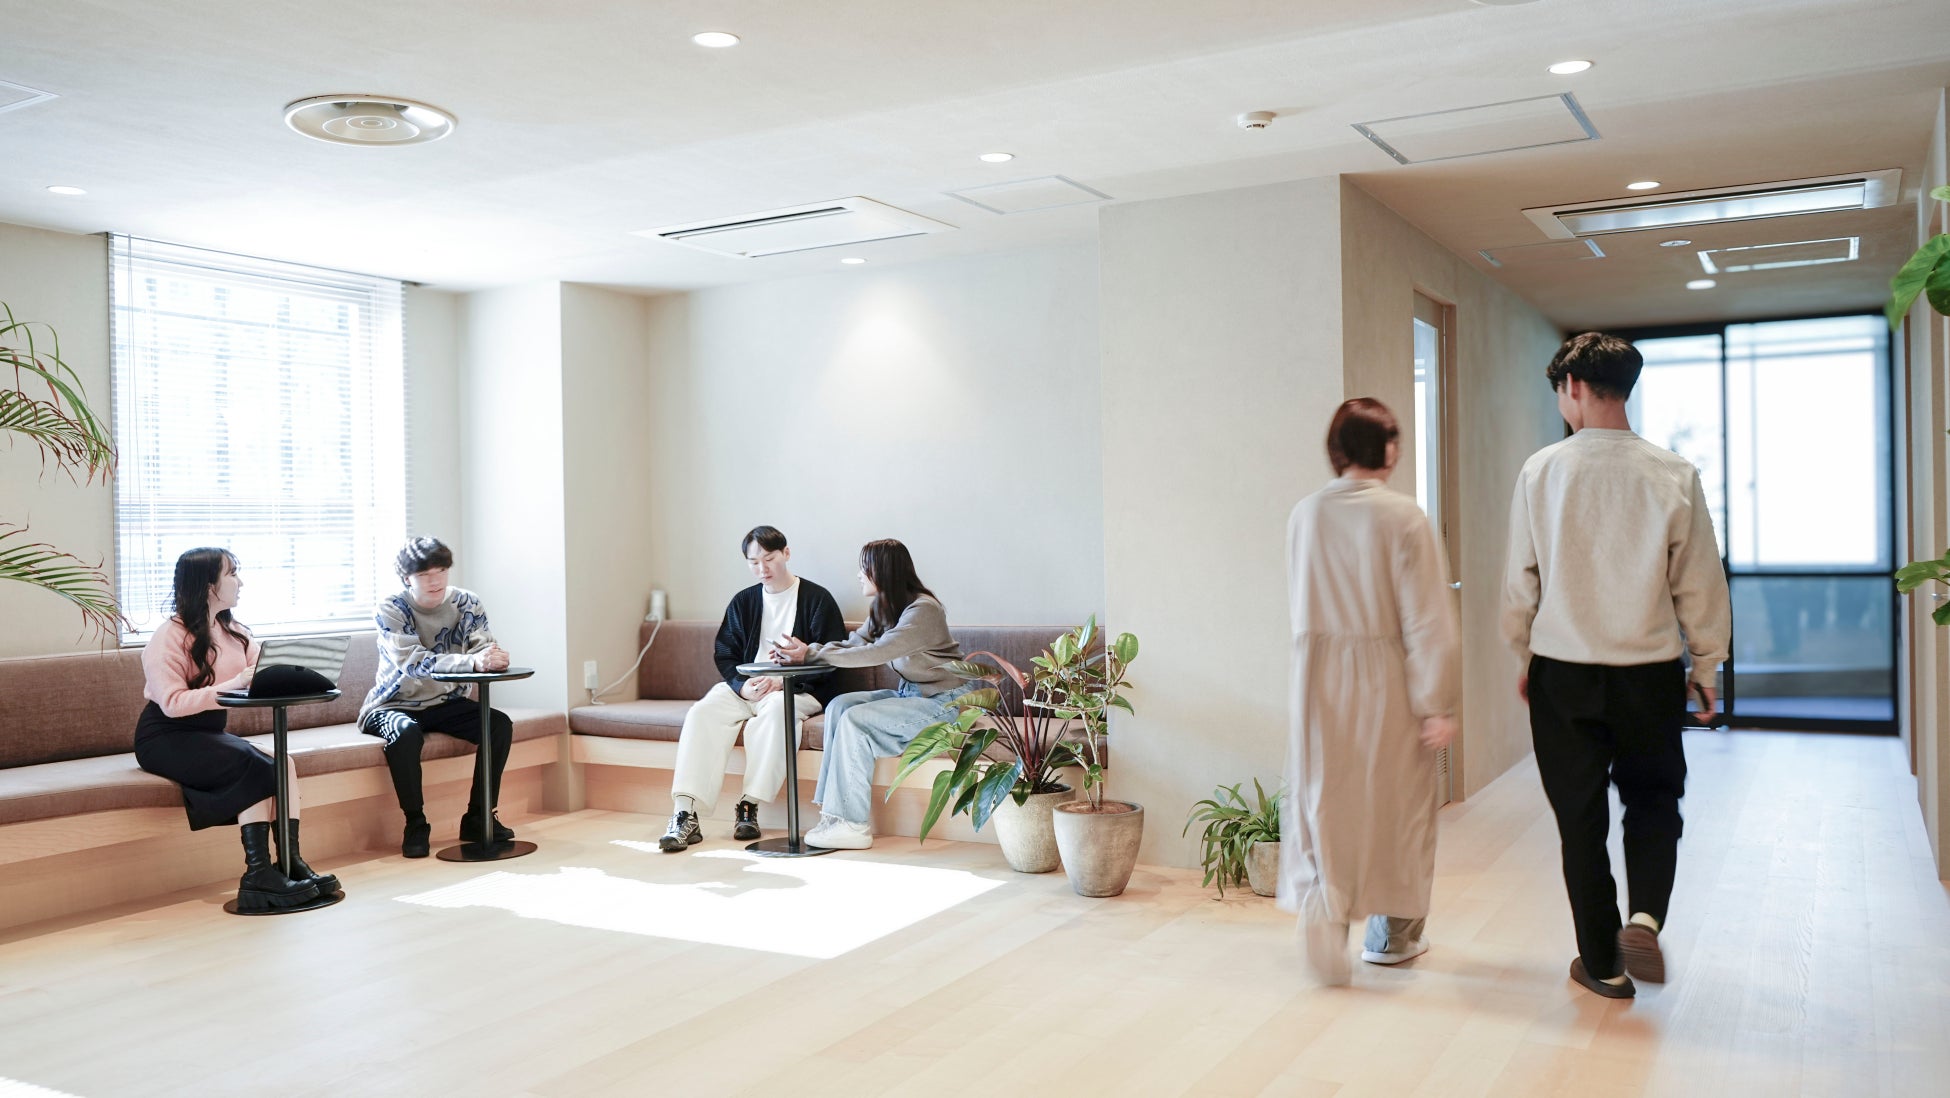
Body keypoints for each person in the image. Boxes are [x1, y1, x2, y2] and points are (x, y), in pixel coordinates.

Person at [1501, 332, 1731, 999]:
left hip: (1564, 669)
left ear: (1572, 387)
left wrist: (1524, 653)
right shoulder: (1673, 473)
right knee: (1653, 799)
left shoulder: (1542, 471)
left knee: (1580, 822)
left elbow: (1520, 582)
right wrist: (1706, 668)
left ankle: (1603, 965)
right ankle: (1645, 918)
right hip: (1648, 672)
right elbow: (1700, 583)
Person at [1280, 399, 1459, 985]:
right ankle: (1393, 936)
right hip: (1386, 677)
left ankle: (1325, 914)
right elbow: (1427, 619)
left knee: (1325, 799)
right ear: (1385, 448)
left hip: (1316, 676)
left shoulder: (1305, 514)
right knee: (1399, 806)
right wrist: (1436, 703)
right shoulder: (1404, 517)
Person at [133, 548, 340, 911]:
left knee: (285, 764)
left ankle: (290, 862)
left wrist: (298, 671)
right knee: (252, 766)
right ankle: (257, 874)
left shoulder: (235, 632)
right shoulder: (168, 636)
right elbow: (173, 703)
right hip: (165, 736)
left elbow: (262, 672)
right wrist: (234, 683)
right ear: (208, 585)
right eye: (232, 574)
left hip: (208, 734)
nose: (240, 582)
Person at [772, 539, 970, 851]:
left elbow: (877, 652)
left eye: (864, 568)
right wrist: (806, 651)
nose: (859, 575)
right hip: (912, 695)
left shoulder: (923, 611)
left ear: (883, 571)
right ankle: (833, 815)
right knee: (840, 706)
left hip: (945, 702)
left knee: (856, 720)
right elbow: (855, 644)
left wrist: (809, 654)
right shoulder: (884, 608)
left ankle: (853, 824)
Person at [659, 526, 846, 851]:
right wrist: (741, 686)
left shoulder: (817, 600)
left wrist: (785, 681)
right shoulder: (743, 601)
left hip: (795, 689)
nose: (763, 569)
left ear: (786, 553)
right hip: (747, 687)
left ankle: (749, 806)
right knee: (702, 712)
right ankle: (685, 814)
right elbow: (724, 652)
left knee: (776, 711)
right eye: (754, 562)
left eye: (769, 559)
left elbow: (832, 658)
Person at [359, 536, 516, 858]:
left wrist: (493, 656)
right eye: (424, 574)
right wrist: (473, 662)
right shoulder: (391, 608)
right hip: (392, 703)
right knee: (406, 734)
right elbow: (413, 661)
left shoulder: (467, 602)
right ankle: (415, 823)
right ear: (407, 578)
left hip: (446, 702)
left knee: (498, 725)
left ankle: (479, 817)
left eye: (441, 571)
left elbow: (482, 646)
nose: (435, 581)